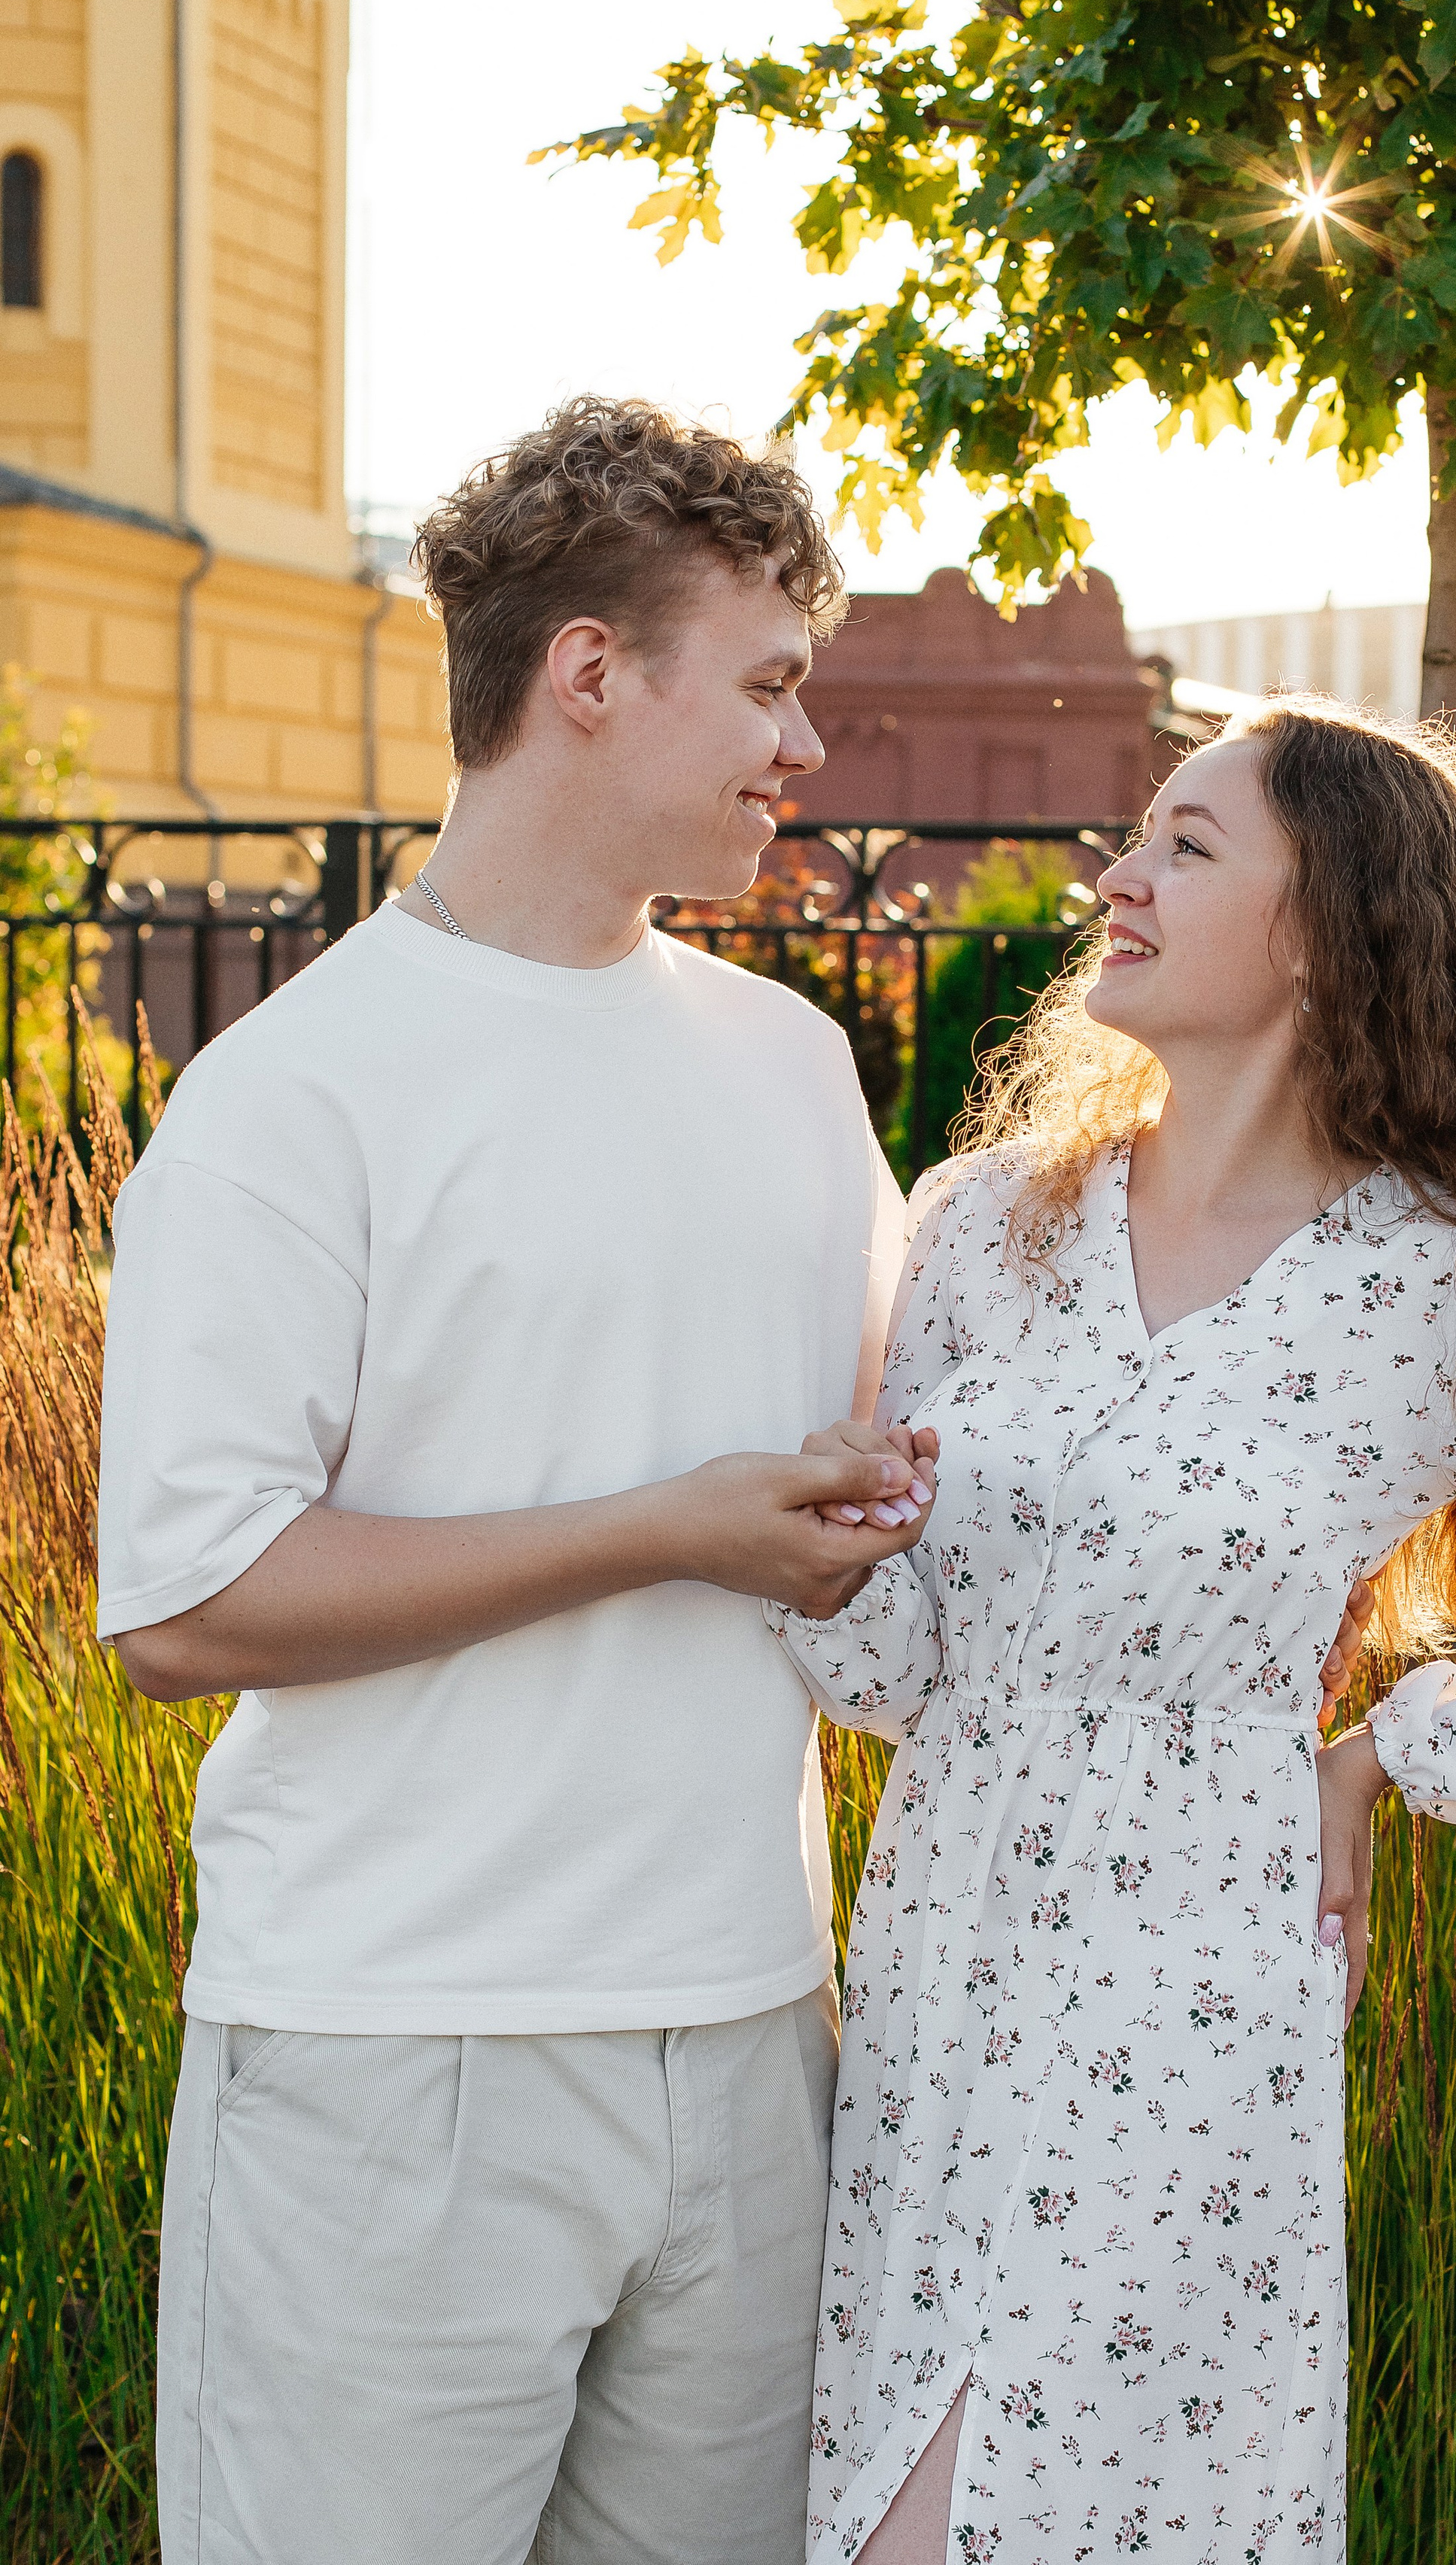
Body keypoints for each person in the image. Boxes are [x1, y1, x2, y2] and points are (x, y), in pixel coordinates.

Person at [768, 701, 1456, 2565]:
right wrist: (823, 1558)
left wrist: (1384, 1749)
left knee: (1043, 2518)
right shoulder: (987, 1222)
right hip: (940, 1963)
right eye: (1134, 837)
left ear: (1327, 926)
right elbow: (892, 1679)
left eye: (1184, 844)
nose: (1116, 878)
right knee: (874, 2509)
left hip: (1192, 1975)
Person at [96, 397, 944, 2565]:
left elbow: (833, 1499)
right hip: (395, 2047)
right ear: (588, 670)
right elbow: (190, 1606)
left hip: (757, 2022)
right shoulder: (296, 1094)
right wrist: (665, 1526)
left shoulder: (796, 1063)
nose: (802, 745)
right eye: (763, 682)